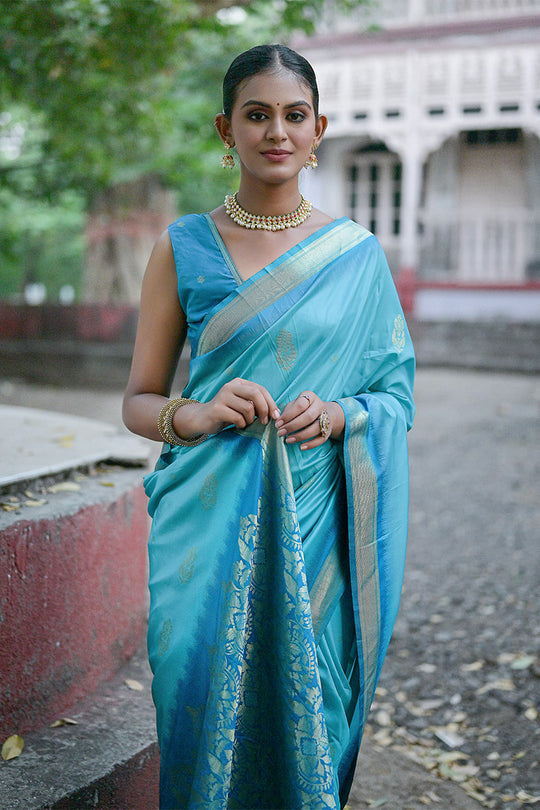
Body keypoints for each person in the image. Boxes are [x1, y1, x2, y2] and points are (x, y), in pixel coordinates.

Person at [122, 43, 415, 810]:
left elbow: (395, 393)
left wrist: (343, 413)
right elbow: (140, 400)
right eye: (257, 115)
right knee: (193, 684)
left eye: (293, 116)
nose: (276, 131)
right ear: (227, 129)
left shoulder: (357, 256)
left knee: (310, 703)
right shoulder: (180, 247)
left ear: (319, 129)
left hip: (317, 526)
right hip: (205, 522)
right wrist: (193, 413)